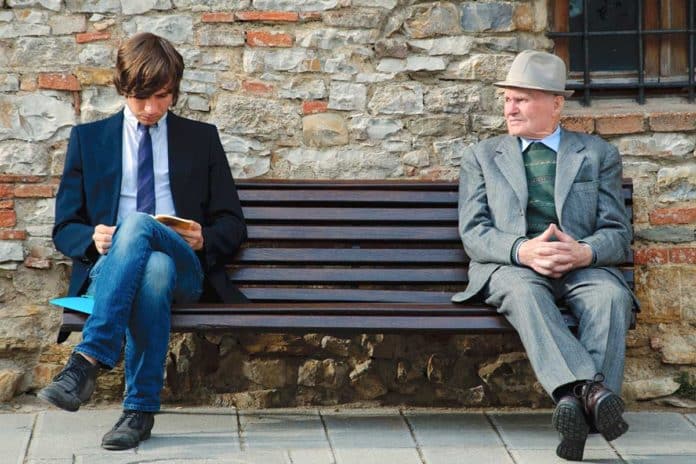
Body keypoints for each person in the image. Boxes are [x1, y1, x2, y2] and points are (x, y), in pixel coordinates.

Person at [38, 32, 247, 450]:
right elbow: (65, 227)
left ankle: (87, 360)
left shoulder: (201, 139)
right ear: (122, 89)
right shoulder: (89, 140)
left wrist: (204, 237)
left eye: (162, 97)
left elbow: (233, 223)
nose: (152, 109)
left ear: (175, 91)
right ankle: (138, 412)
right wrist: (92, 238)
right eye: (141, 98)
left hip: (186, 269)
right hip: (114, 269)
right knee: (152, 266)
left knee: (140, 228)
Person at [452, 50, 637, 461]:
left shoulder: (596, 154)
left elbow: (617, 232)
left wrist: (584, 251)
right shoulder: (482, 157)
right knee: (525, 293)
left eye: (521, 99)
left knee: (611, 296)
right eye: (507, 99)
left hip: (580, 267)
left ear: (556, 104)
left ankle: (573, 407)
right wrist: (523, 250)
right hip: (511, 268)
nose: (510, 108)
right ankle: (591, 394)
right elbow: (474, 233)